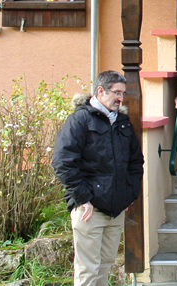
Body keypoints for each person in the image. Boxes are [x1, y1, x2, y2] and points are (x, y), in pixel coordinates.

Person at [52, 71, 144, 286]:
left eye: (123, 93)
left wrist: (129, 194)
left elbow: (135, 162)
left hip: (115, 208)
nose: (121, 98)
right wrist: (83, 198)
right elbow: (62, 162)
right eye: (117, 92)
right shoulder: (80, 119)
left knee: (105, 265)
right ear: (101, 91)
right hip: (89, 209)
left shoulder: (122, 122)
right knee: (88, 271)